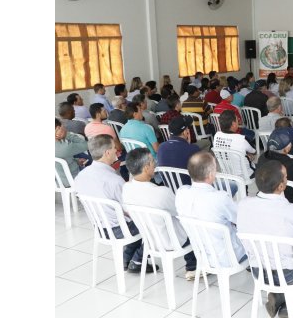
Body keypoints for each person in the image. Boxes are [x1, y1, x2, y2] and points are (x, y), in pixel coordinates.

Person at [237, 161, 293, 317]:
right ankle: (284, 299)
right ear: (280, 186)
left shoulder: (243, 204)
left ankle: (281, 299)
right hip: (287, 273)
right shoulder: (290, 210)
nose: (287, 178)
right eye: (285, 177)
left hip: (258, 270)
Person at [73, 135, 153, 273]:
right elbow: (130, 209)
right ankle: (138, 260)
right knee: (153, 221)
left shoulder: (80, 176)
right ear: (107, 153)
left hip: (99, 227)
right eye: (114, 148)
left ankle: (127, 257)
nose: (117, 150)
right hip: (119, 229)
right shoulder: (114, 180)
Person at [122, 148, 197, 280]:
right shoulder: (161, 192)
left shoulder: (126, 188)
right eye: (152, 161)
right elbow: (180, 212)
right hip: (172, 241)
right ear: (146, 168)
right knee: (191, 221)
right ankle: (193, 267)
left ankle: (137, 259)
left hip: (150, 239)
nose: (155, 163)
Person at [175, 151, 247, 271]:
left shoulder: (181, 193)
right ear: (210, 174)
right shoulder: (220, 198)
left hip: (202, 256)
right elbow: (241, 220)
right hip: (229, 256)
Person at [157, 115, 200, 183]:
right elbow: (200, 174)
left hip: (170, 188)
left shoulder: (161, 147)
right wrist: (188, 144)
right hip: (189, 188)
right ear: (185, 132)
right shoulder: (193, 149)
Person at [55, 118, 90, 185]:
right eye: (63, 126)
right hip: (72, 179)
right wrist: (66, 135)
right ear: (58, 128)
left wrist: (76, 160)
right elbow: (87, 145)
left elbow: (61, 159)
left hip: (58, 179)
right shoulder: (65, 147)